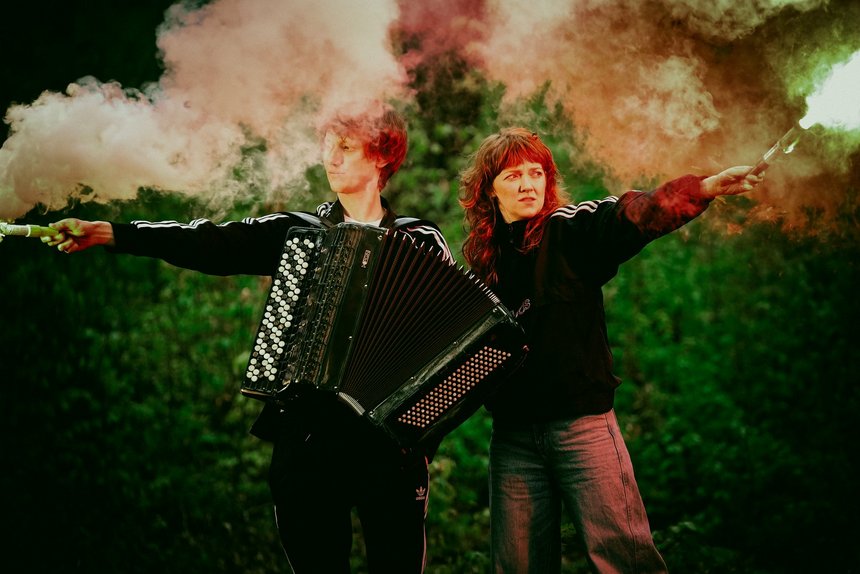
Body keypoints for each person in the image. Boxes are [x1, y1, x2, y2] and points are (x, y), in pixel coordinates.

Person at [43, 103, 452, 574]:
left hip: (389, 448)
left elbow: (449, 341)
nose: (331, 157)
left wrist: (424, 432)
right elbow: (211, 243)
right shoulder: (299, 232)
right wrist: (110, 232)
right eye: (327, 145)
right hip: (308, 439)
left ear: (382, 155)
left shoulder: (421, 240)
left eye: (345, 146)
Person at [458, 127, 763, 574]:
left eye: (536, 173)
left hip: (582, 428)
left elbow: (631, 215)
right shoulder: (484, 265)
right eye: (513, 176)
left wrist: (702, 189)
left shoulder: (569, 230)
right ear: (490, 190)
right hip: (513, 440)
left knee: (625, 560)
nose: (528, 185)